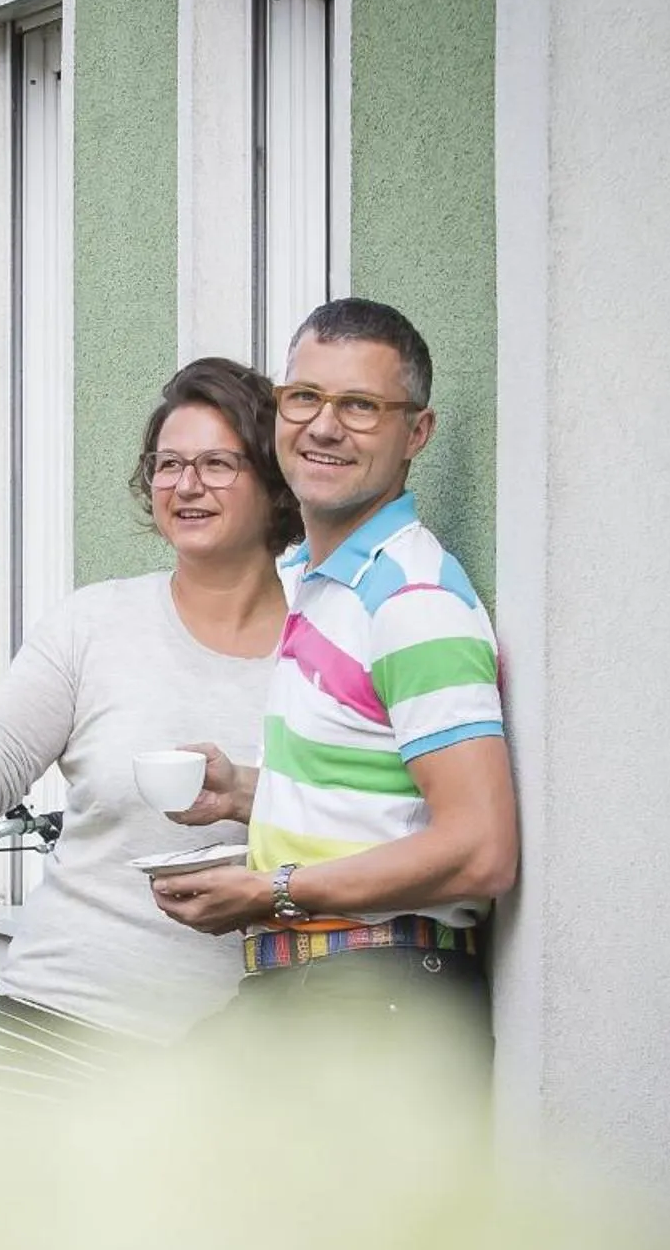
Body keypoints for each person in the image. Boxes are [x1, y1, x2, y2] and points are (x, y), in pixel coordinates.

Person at [0, 358, 299, 1098]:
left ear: (275, 482)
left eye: (216, 464)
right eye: (168, 464)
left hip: (249, 1053)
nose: (185, 485)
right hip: (61, 1023)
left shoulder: (325, 646)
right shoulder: (93, 624)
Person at [150, 298, 518, 1043]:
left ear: (418, 432)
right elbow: (380, 807)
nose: (323, 426)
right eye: (305, 397)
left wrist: (273, 890)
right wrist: (241, 792)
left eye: (360, 406)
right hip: (322, 988)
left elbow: (481, 849)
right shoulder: (321, 583)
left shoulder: (412, 601)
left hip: (375, 999)